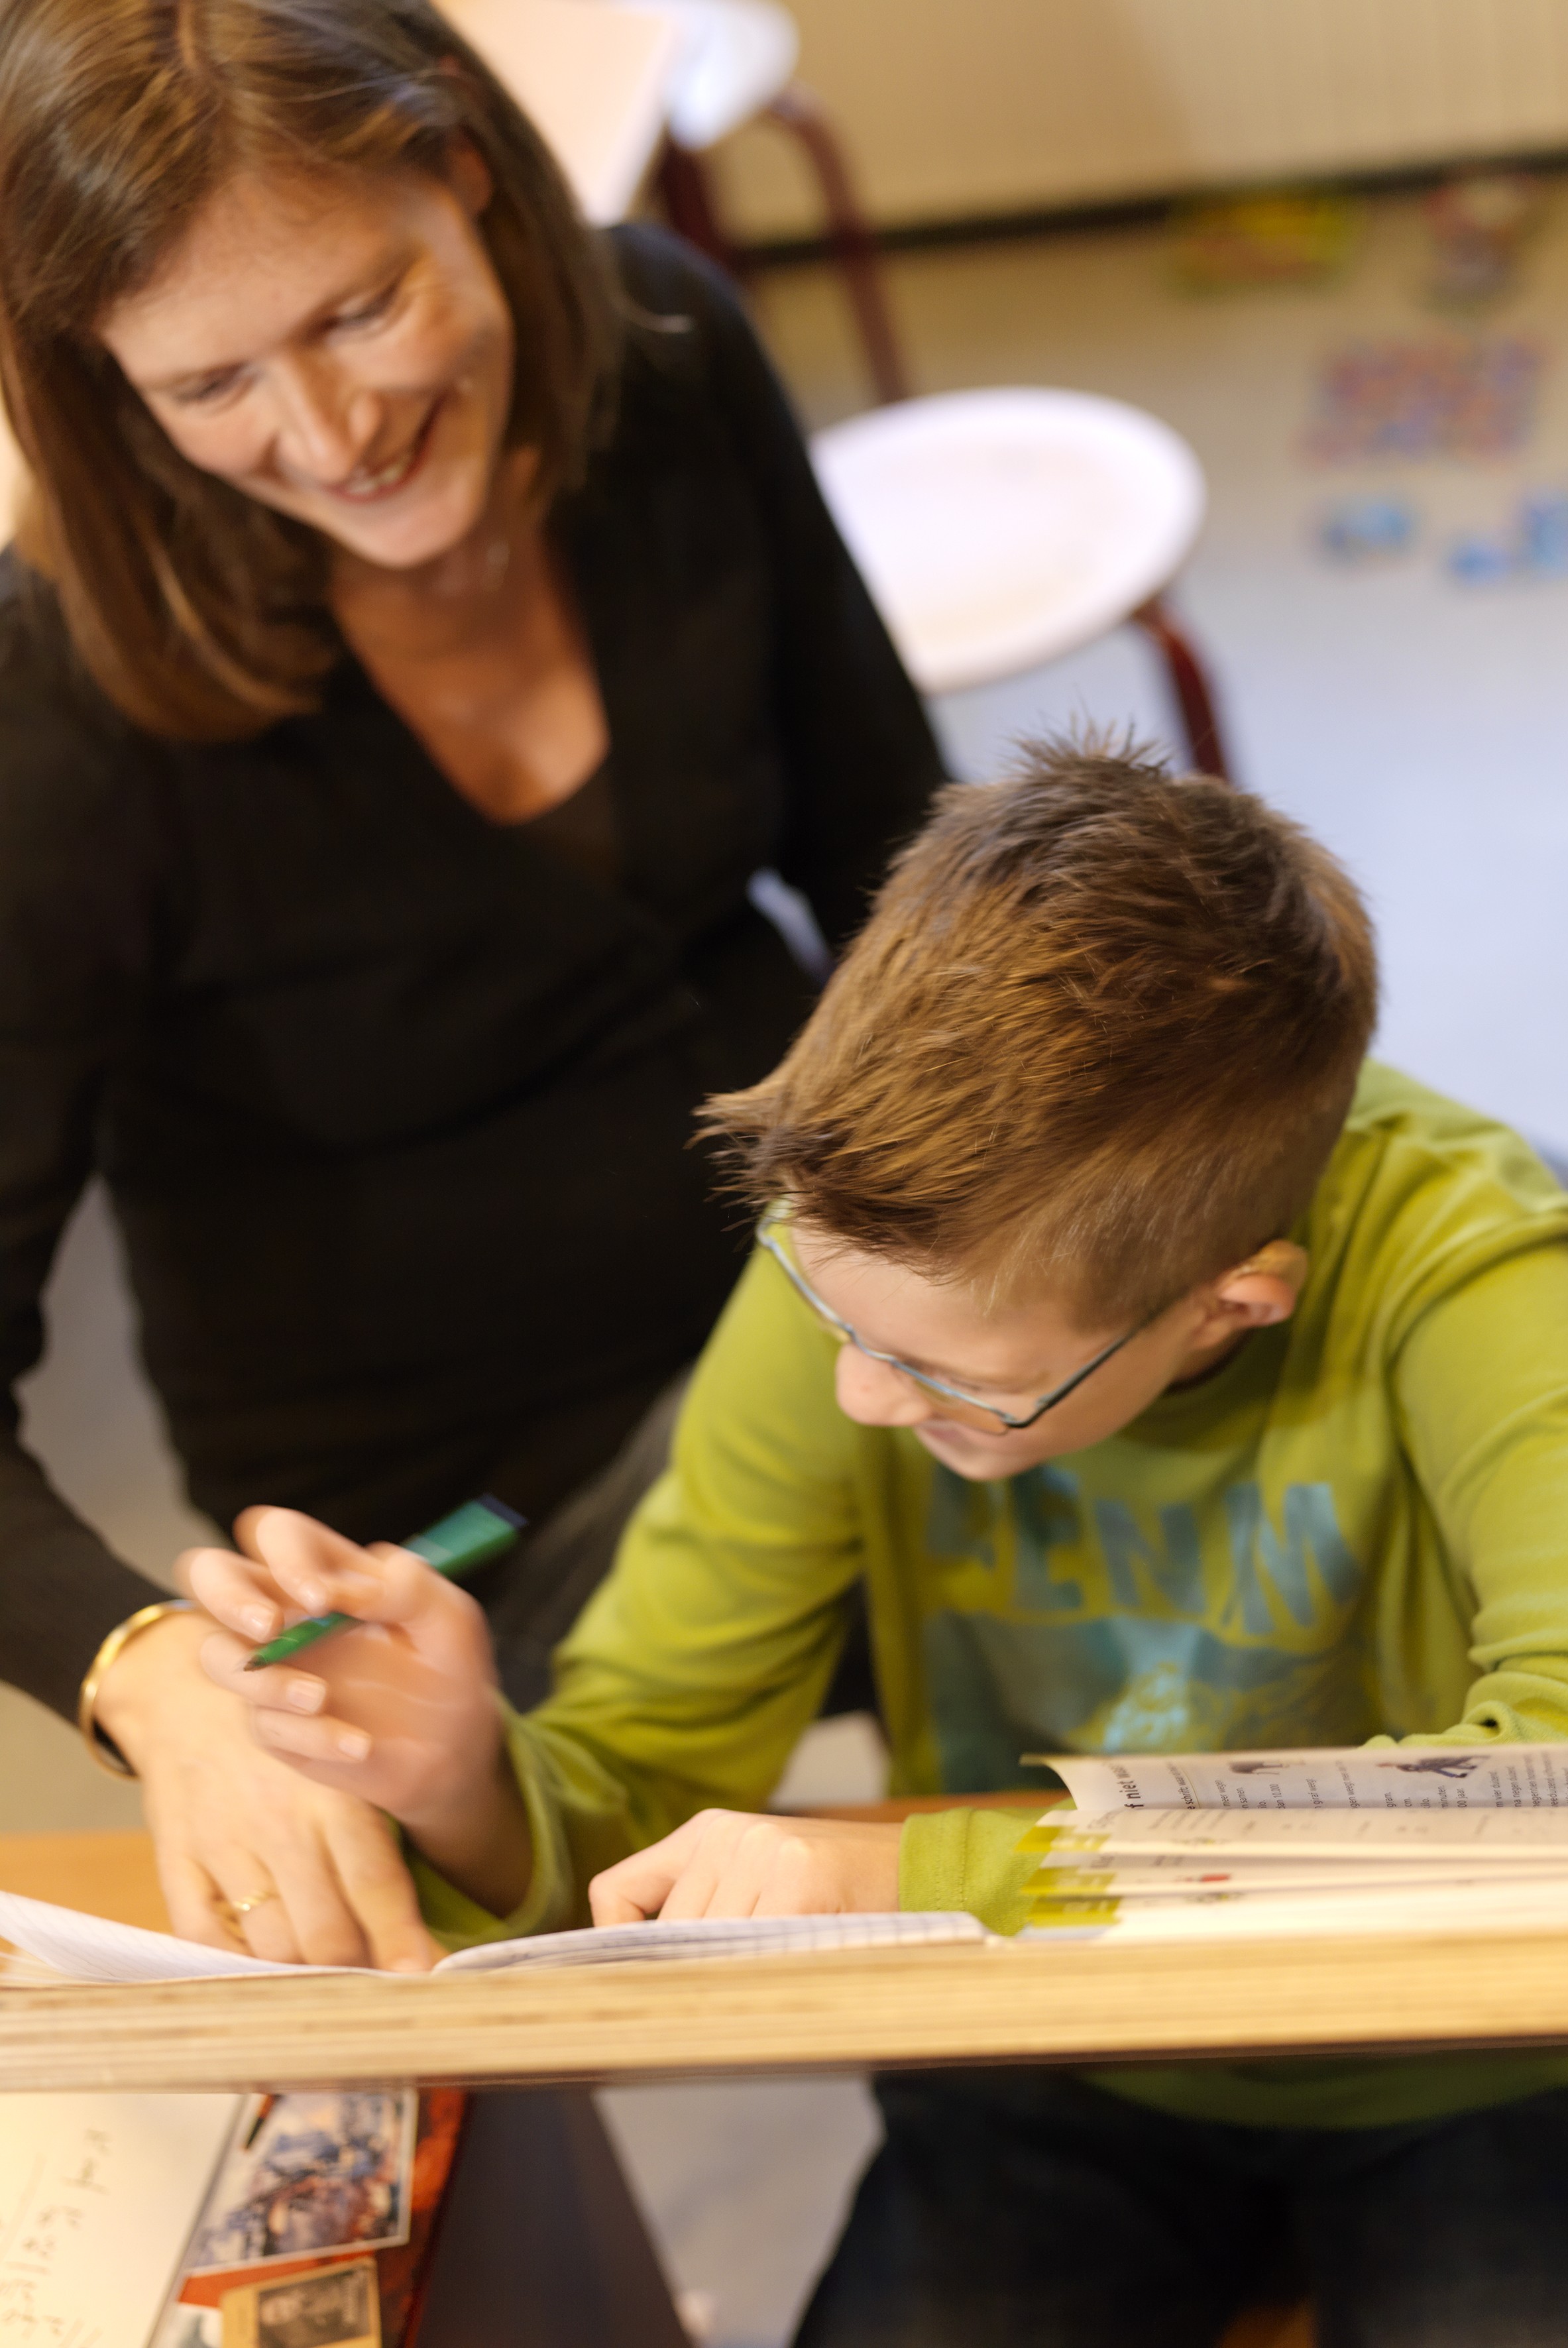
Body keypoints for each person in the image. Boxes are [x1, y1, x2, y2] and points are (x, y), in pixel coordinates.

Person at [196, 740, 1568, 2347]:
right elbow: (638, 1778)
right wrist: (463, 1774)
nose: (864, 1394)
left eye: (954, 1382)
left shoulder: (1454, 1247)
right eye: (834, 1312)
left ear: (1237, 1298)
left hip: (1479, 2047)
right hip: (1052, 2046)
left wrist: (916, 1871)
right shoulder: (871, 1260)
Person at [0, 0, 940, 1966]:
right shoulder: (62, 713)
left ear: (466, 169)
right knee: (1248, 1493)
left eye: (357, 311)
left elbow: (900, 868)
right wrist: (148, 1667)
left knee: (1508, 1237)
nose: (330, 439)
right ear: (104, 385)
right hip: (482, 1539)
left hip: (843, 1286)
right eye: (212, 384)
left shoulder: (665, 358)